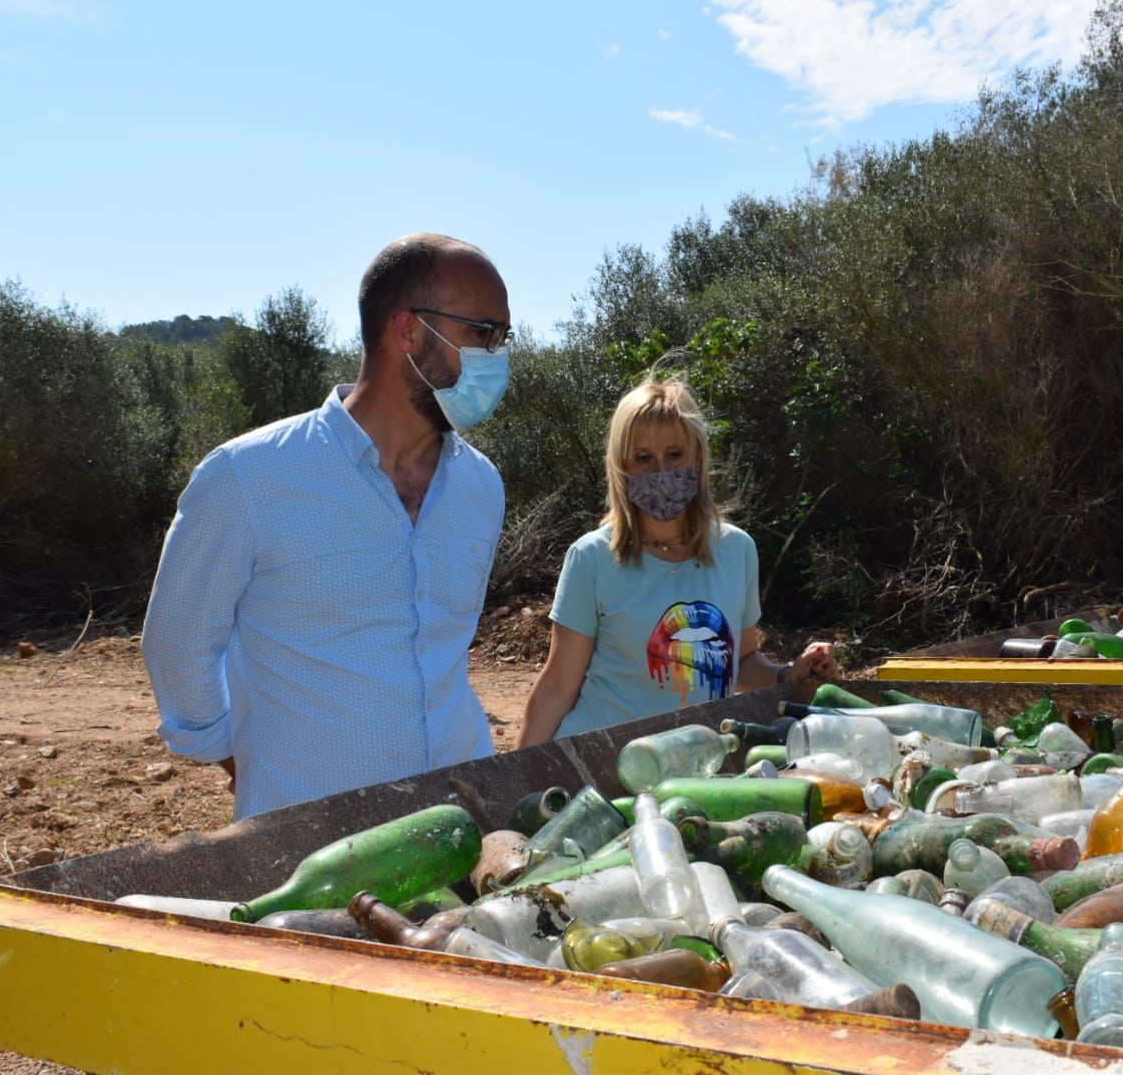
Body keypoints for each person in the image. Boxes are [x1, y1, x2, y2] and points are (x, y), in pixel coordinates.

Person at [142, 233, 512, 820]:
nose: (500, 356)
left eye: (504, 337)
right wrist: (240, 762)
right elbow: (178, 644)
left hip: (458, 821)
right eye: (483, 333)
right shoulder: (247, 476)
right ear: (409, 332)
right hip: (310, 838)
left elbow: (443, 647)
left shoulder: (480, 486)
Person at [518, 376, 839, 746]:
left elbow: (743, 661)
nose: (661, 471)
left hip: (697, 762)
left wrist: (790, 675)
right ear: (621, 467)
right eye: (642, 458)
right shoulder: (591, 558)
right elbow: (556, 689)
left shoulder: (737, 551)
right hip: (603, 762)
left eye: (674, 455)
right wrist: (518, 789)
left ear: (698, 456)